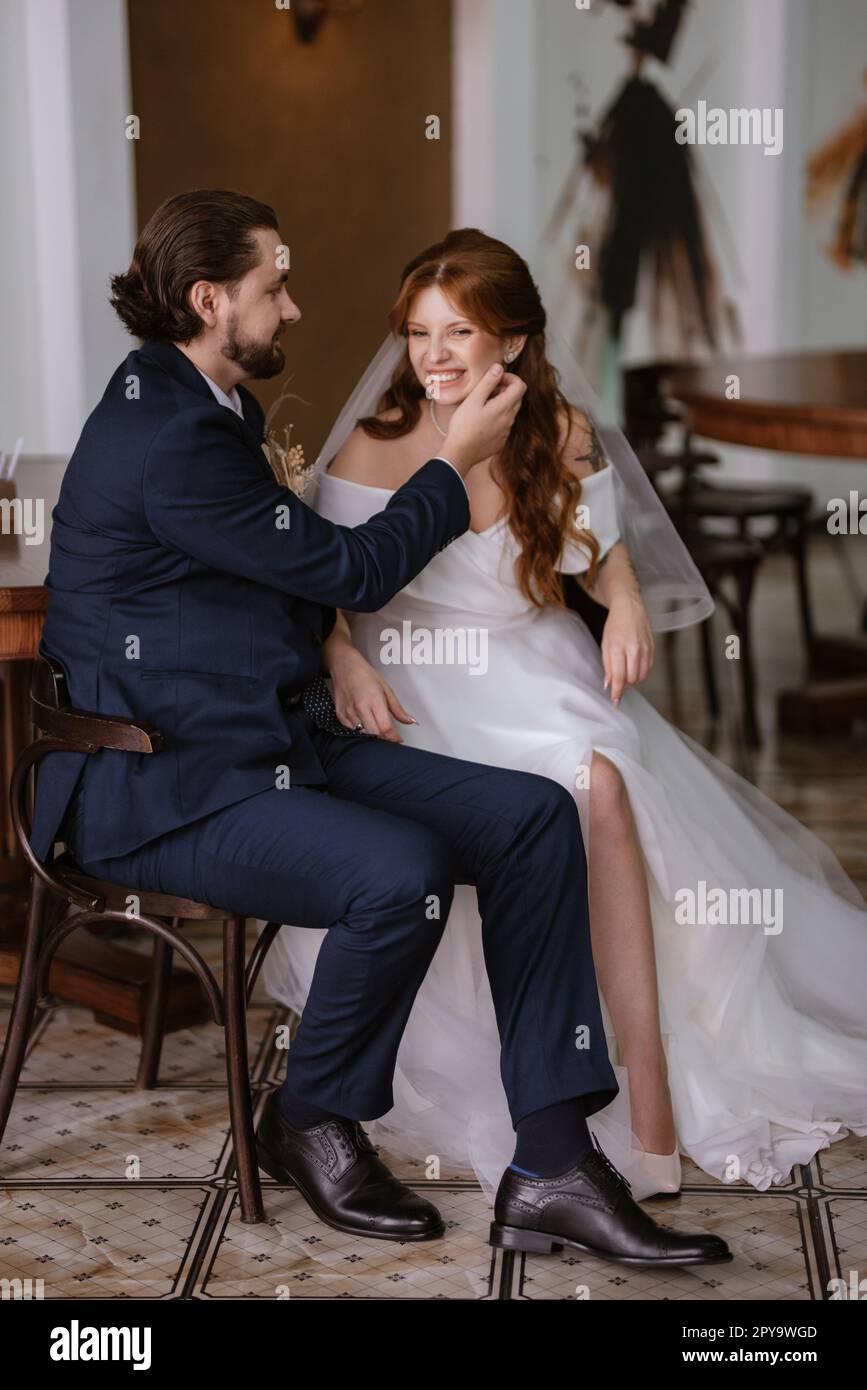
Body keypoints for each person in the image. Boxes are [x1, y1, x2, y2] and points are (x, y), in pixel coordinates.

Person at [3, 190, 731, 1268]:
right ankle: (313, 1115)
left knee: (536, 817)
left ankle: (552, 1162)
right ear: (211, 299)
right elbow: (350, 565)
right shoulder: (171, 433)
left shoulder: (206, 404)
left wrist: (336, 649)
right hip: (160, 786)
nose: (294, 309)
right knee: (403, 873)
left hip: (263, 739)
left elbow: (284, 577)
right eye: (272, 286)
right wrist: (450, 462)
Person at [261, 226, 867, 1205]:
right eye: (419, 333)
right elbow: (322, 591)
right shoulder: (377, 442)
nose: (436, 354)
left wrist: (624, 600)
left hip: (534, 663)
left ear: (513, 339)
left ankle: (652, 1094)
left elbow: (604, 551)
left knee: (605, 786)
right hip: (414, 679)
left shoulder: (561, 433)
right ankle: (549, 1099)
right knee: (531, 804)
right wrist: (339, 657)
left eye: (460, 331)